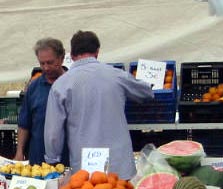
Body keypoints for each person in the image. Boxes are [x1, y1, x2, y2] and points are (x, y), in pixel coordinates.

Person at [44, 30, 154, 181]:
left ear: (72, 55)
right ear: (97, 52)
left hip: (85, 168)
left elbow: (53, 133)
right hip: (119, 166)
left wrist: (52, 158)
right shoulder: (117, 75)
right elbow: (146, 92)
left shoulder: (60, 85)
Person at [14, 37, 69, 166]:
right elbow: (24, 124)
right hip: (39, 158)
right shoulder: (33, 87)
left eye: (50, 62)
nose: (46, 67)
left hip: (68, 157)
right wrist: (19, 151)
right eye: (42, 63)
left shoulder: (73, 84)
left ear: (61, 58)